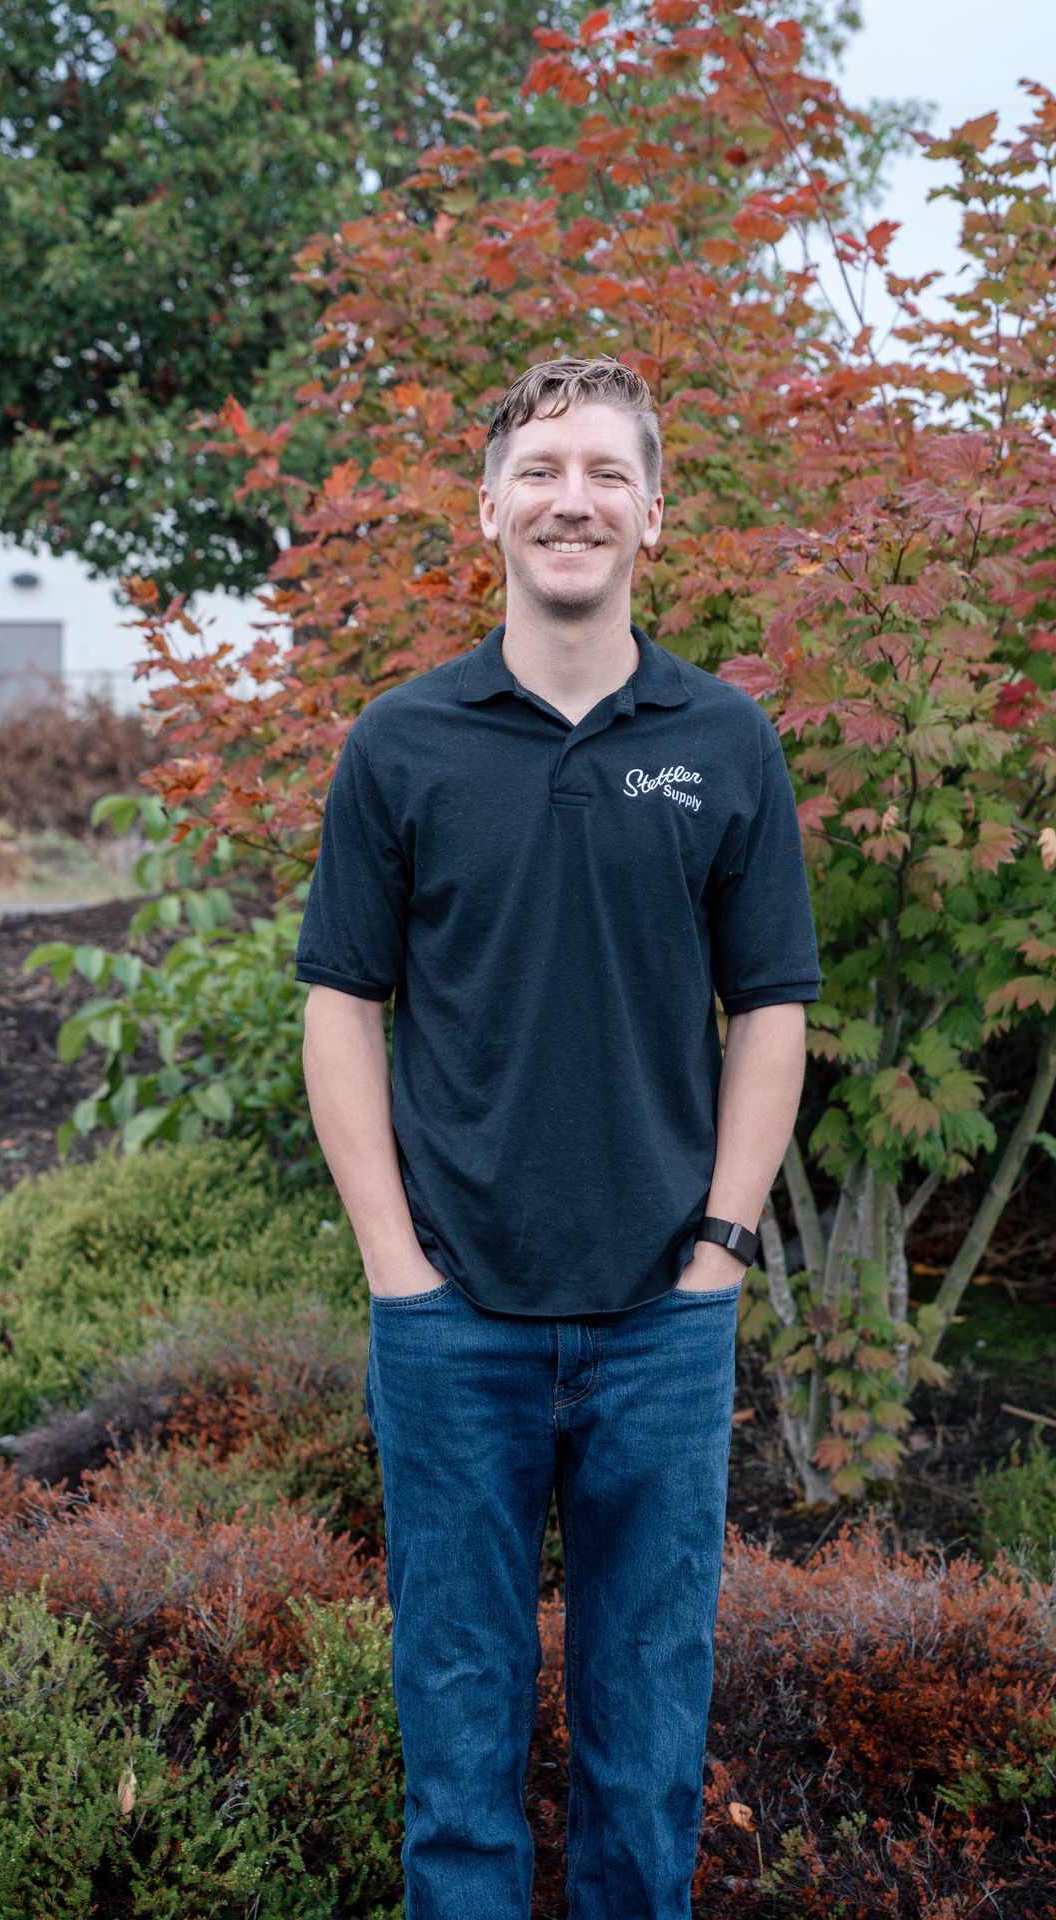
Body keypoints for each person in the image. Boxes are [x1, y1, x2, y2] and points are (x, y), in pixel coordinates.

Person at [294, 356, 821, 1919]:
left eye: (604, 473)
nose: (569, 499)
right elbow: (341, 1005)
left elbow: (772, 1009)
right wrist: (394, 1268)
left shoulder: (725, 740)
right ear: (489, 511)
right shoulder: (402, 743)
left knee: (646, 1752)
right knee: (457, 1747)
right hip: (451, 1323)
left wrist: (721, 1254)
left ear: (654, 515)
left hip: (664, 1324)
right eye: (539, 470)